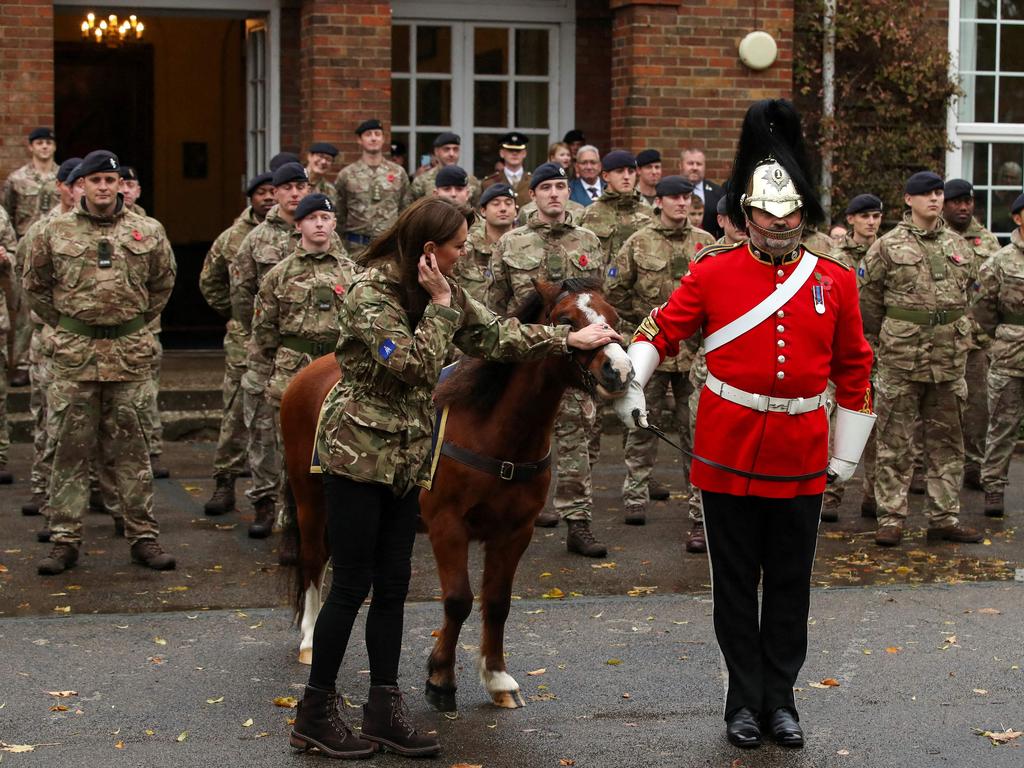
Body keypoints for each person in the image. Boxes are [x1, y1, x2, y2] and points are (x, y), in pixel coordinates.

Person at [290, 197, 620, 758]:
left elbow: (498, 337)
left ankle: (382, 707)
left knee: (394, 585)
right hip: (357, 456)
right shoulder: (372, 295)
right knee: (352, 584)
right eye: (459, 246)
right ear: (429, 250)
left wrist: (568, 340)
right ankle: (314, 713)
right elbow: (414, 365)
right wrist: (443, 304)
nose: (465, 255)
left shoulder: (444, 294)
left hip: (409, 458)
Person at [614, 100, 874, 749]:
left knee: (789, 585)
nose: (780, 228)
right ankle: (742, 702)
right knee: (733, 586)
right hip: (727, 447)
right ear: (746, 214)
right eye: (767, 216)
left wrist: (845, 451)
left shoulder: (835, 280)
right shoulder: (713, 270)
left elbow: (855, 366)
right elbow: (663, 327)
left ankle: (782, 700)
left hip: (802, 449)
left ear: (803, 215)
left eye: (790, 218)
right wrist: (634, 377)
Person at [25, 150, 178, 575]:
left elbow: (163, 283)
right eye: (95, 181)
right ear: (82, 186)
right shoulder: (52, 231)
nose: (104, 188)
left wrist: (134, 322)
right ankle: (64, 540)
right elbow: (34, 284)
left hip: (128, 355)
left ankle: (143, 538)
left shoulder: (147, 230)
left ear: (121, 185)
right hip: (75, 357)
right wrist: (67, 324)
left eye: (111, 181)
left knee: (133, 451)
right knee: (69, 451)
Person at [489, 163, 608, 556]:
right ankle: (509, 513)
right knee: (516, 438)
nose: (555, 193)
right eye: (546, 188)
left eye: (561, 186)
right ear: (533, 195)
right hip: (527, 362)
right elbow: (496, 305)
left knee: (576, 439)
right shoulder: (511, 243)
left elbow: (596, 305)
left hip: (572, 362)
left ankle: (578, 522)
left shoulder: (588, 241)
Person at [860, 171, 984, 547]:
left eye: (938, 193)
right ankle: (891, 517)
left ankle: (943, 517)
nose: (934, 199)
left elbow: (972, 295)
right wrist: (891, 337)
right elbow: (868, 303)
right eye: (925, 194)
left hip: (948, 359)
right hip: (902, 357)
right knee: (895, 442)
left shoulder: (959, 246)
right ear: (908, 200)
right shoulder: (886, 246)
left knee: (947, 442)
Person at [247, 193, 356, 563]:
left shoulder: (353, 274)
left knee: (341, 456)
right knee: (290, 462)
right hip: (293, 374)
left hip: (339, 374)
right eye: (313, 218)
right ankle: (292, 529)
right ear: (299, 226)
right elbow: (263, 333)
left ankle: (337, 531)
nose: (320, 224)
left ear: (335, 224)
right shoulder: (279, 275)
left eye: (327, 217)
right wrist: (261, 379)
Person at [607, 175, 712, 526]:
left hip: (695, 354)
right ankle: (635, 496)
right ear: (660, 202)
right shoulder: (639, 243)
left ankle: (699, 506)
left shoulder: (706, 243)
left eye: (686, 197)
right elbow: (617, 291)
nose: (682, 203)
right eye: (675, 197)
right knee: (640, 424)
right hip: (652, 350)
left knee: (696, 432)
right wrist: (639, 330)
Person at [233, 162, 312, 538]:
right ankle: (264, 503)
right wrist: (263, 336)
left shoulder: (323, 231)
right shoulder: (255, 239)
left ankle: (297, 509)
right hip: (269, 352)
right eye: (288, 188)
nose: (295, 193)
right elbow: (239, 293)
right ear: (275, 193)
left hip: (312, 356)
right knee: (264, 433)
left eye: (301, 186)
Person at [199, 171, 275, 516]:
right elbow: (210, 281)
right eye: (262, 192)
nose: (269, 197)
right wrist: (233, 314)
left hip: (281, 340)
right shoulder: (232, 238)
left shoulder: (296, 233)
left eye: (275, 191)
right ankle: (225, 480)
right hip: (244, 339)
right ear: (251, 197)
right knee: (234, 412)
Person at [14, 158, 84, 509]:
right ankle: (43, 488)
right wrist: (56, 321)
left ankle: (96, 492)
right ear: (64, 187)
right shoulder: (44, 227)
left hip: (84, 342)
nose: (79, 191)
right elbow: (28, 281)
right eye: (74, 184)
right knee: (46, 415)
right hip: (49, 336)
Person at [820, 193, 884, 522]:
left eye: (876, 216)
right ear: (851, 220)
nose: (871, 222)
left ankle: (875, 495)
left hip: (881, 348)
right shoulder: (834, 256)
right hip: (841, 349)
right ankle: (831, 494)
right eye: (865, 216)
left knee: (876, 424)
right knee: (837, 421)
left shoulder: (888, 251)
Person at [943, 178, 1002, 489]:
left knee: (978, 407)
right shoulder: (934, 237)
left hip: (977, 341)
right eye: (956, 201)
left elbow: (997, 291)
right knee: (938, 407)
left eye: (968, 201)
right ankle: (925, 468)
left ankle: (974, 466)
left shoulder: (988, 242)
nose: (963, 207)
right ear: (944, 203)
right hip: (941, 339)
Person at [974, 192, 1024, 518]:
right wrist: (1004, 338)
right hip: (1010, 355)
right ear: (1018, 218)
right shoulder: (1000, 261)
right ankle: (993, 486)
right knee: (1002, 426)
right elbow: (984, 309)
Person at [334, 118, 412, 255]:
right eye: (368, 134)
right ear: (360, 140)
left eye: (377, 134)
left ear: (383, 139)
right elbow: (340, 214)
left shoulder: (398, 173)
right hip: (355, 248)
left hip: (388, 247)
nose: (373, 138)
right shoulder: (347, 175)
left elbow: (405, 210)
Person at [579, 150, 654, 264]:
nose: (626, 177)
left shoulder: (649, 214)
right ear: (606, 176)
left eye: (631, 171)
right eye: (619, 171)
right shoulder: (588, 214)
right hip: (601, 280)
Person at [457, 183, 516, 307]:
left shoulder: (525, 246)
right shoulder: (466, 248)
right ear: (483, 211)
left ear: (516, 211)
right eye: (496, 204)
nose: (503, 208)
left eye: (508, 203)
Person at [410, 132, 481, 206]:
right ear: (436, 152)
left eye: (455, 149)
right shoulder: (421, 181)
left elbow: (477, 210)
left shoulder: (471, 180)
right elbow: (413, 210)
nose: (451, 154)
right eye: (446, 149)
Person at [681, 147, 725, 238]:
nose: (695, 167)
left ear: (704, 166)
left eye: (699, 164)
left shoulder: (718, 192)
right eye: (690, 163)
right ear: (681, 165)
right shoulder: (671, 191)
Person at [481, 132, 532, 206]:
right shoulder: (489, 183)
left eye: (518, 151)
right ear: (502, 153)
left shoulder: (533, 182)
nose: (514, 153)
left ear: (524, 153)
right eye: (510, 150)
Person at [305, 142, 341, 210]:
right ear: (309, 156)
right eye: (320, 156)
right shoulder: (293, 180)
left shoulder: (330, 190)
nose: (323, 162)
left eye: (328, 159)